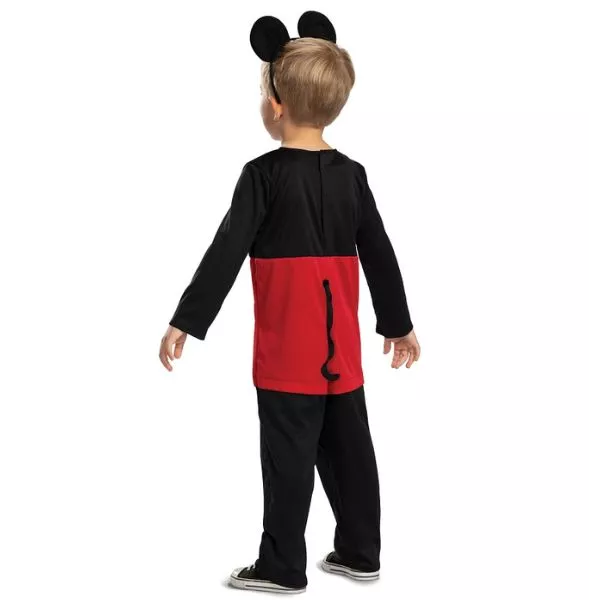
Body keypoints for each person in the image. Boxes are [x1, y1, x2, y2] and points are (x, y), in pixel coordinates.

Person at [159, 11, 421, 595]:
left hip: (287, 354)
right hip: (341, 353)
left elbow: (226, 251)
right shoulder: (352, 175)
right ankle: (360, 552)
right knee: (350, 453)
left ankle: (281, 567)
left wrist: (187, 320)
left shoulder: (263, 176)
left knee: (287, 459)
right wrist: (398, 324)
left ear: (275, 106)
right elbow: (380, 253)